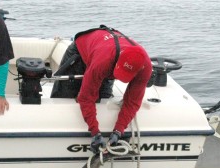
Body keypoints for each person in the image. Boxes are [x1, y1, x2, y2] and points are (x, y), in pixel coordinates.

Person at [51, 25, 152, 153]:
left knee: (102, 99)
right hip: (82, 51)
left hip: (108, 54)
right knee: (64, 99)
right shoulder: (103, 61)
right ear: (118, 62)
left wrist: (118, 130)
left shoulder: (146, 68)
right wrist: (94, 132)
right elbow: (86, 98)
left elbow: (132, 102)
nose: (119, 78)